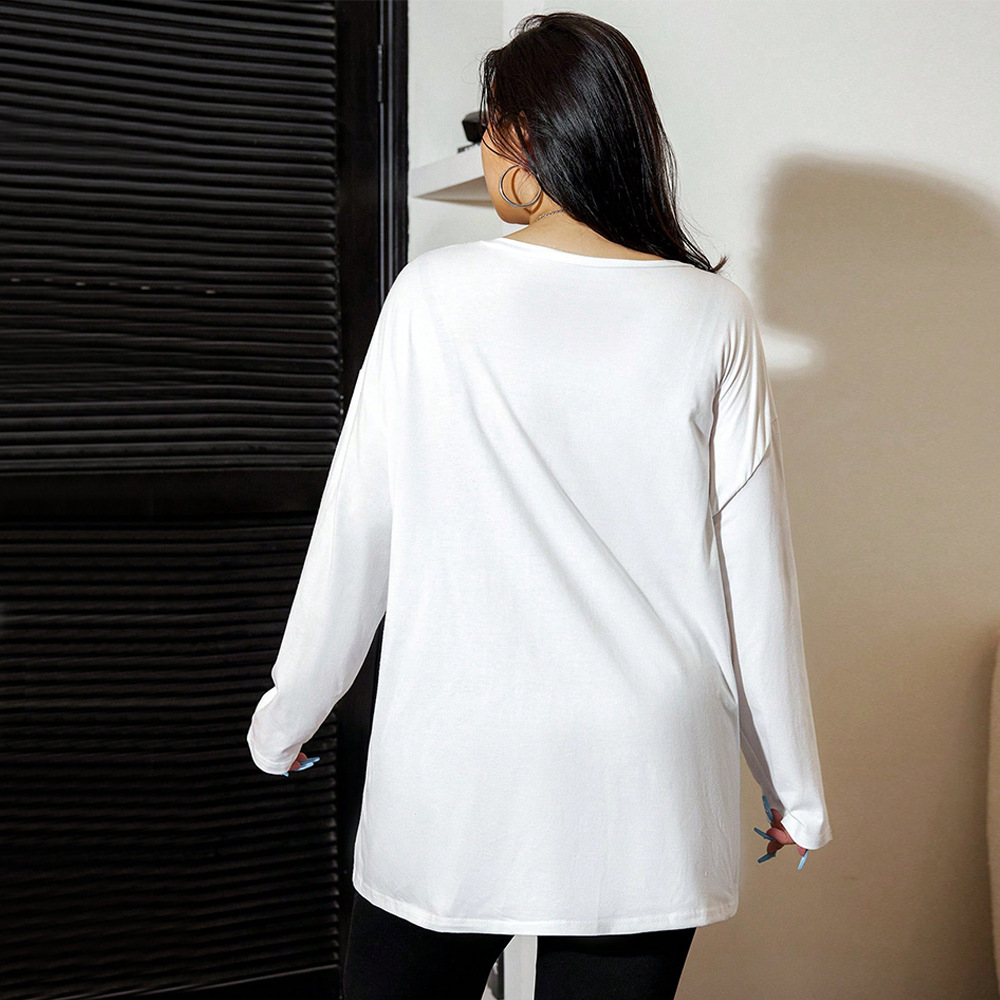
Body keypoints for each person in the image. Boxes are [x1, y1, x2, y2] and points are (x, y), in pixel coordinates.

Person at [247, 11, 833, 1000]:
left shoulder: (433, 296)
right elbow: (756, 581)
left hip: (460, 753)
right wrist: (795, 792)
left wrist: (289, 711)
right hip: (648, 765)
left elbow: (360, 530)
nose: (482, 150)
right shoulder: (711, 314)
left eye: (487, 127)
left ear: (523, 137)